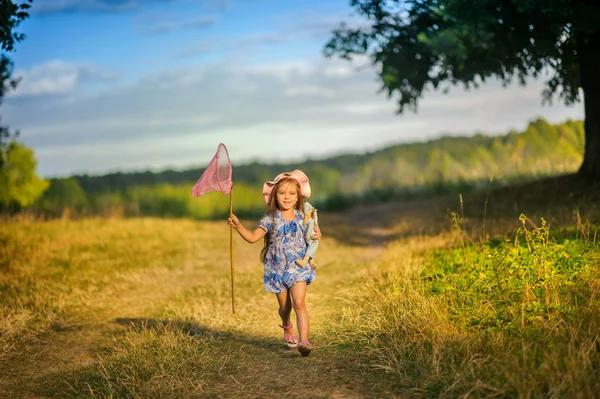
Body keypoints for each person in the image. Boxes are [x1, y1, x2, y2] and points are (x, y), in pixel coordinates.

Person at [227, 170, 322, 357]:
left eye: (291, 194)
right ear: (275, 196)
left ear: (298, 197)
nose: (287, 197)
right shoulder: (270, 219)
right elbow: (253, 238)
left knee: (299, 303)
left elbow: (313, 234)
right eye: (282, 193)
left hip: (298, 266)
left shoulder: (303, 216)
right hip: (277, 268)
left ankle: (304, 341)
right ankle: (287, 325)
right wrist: (238, 226)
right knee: (285, 307)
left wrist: (317, 234)